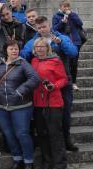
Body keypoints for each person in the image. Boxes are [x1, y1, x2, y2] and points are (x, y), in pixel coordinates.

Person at [20, 16, 79, 152]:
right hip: (43, 84)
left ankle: (66, 138)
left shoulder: (61, 37)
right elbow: (24, 55)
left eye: (44, 27)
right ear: (36, 28)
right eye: (39, 28)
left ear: (49, 25)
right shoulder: (33, 41)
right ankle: (46, 142)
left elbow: (73, 52)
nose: (42, 30)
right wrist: (31, 50)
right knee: (43, 117)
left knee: (65, 113)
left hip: (63, 80)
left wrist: (60, 44)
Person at [0, 40, 40, 169]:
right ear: (6, 50)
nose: (14, 51)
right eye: (11, 49)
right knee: (8, 134)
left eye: (16, 49)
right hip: (0, 106)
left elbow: (35, 78)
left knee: (22, 133)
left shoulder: (23, 63)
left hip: (21, 106)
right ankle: (17, 159)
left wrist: (20, 90)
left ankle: (28, 161)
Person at [31, 38, 68, 169]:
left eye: (42, 46)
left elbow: (64, 79)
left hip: (53, 103)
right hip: (38, 103)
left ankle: (60, 164)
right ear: (34, 49)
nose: (39, 49)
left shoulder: (56, 60)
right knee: (42, 134)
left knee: (55, 134)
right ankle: (47, 162)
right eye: (37, 47)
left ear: (48, 48)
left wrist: (54, 85)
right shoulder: (33, 61)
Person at [52, 0, 84, 90]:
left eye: (67, 6)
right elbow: (54, 29)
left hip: (75, 41)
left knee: (74, 63)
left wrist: (72, 15)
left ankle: (73, 82)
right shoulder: (56, 16)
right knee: (66, 63)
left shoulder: (73, 15)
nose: (66, 8)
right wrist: (62, 22)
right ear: (60, 7)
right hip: (64, 42)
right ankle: (66, 81)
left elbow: (80, 23)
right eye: (64, 6)